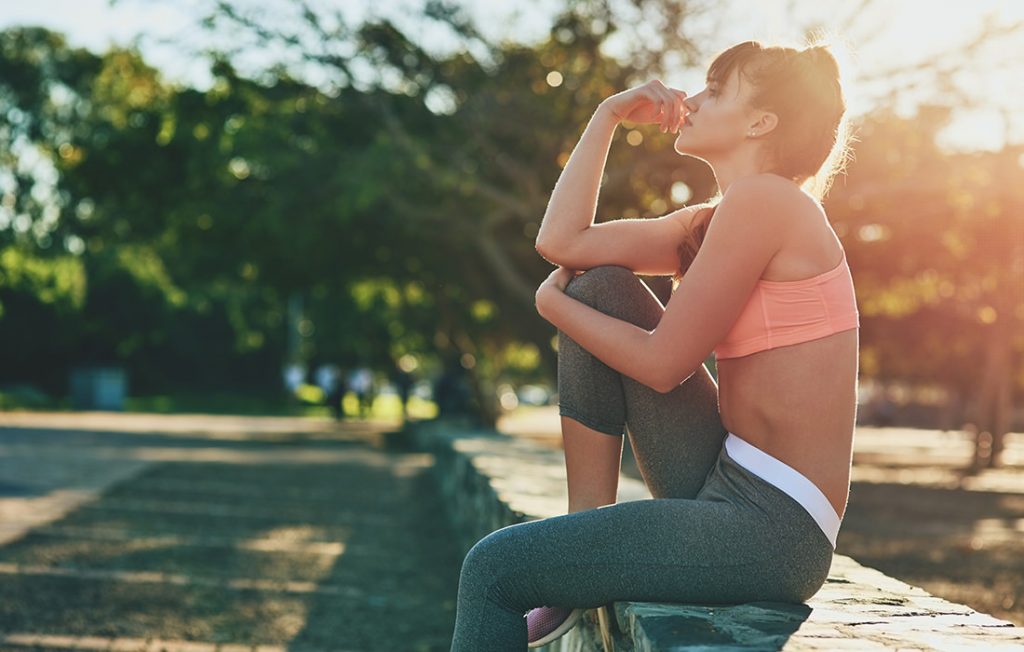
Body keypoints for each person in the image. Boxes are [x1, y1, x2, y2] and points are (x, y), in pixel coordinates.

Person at [450, 39, 858, 649]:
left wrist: (552, 305)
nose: (691, 100)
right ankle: (582, 528)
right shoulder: (719, 218)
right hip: (722, 474)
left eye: (716, 91)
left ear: (760, 122)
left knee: (494, 569)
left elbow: (664, 365)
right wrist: (607, 115)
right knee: (605, 287)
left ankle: (571, 574)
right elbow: (563, 242)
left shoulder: (768, 202)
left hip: (774, 529)